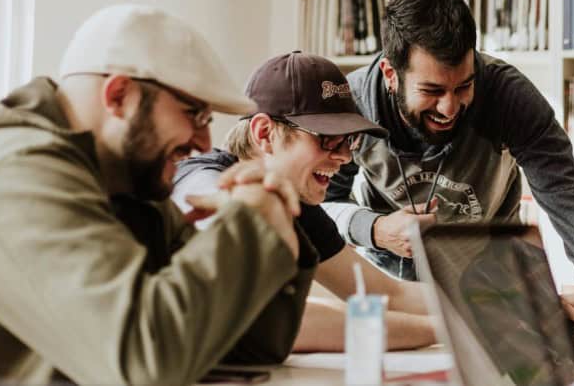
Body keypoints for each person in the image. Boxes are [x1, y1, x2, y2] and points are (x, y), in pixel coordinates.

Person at [0, 5, 313, 385]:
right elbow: (144, 363)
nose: (205, 143)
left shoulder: (124, 184)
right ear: (118, 95)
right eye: (194, 114)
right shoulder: (14, 173)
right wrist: (251, 224)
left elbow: (246, 347)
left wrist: (273, 222)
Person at [321, 0, 574, 318]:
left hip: (495, 283)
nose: (449, 107)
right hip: (395, 291)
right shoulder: (352, 103)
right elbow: (321, 207)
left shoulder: (508, 95)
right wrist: (374, 229)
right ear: (391, 74)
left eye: (463, 86)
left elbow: (569, 197)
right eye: (432, 90)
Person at [171, 51, 437, 352]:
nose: (345, 157)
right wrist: (445, 331)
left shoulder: (297, 204)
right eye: (327, 138)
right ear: (265, 133)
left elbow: (386, 294)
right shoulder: (200, 180)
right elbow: (274, 318)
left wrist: (481, 308)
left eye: (348, 140)